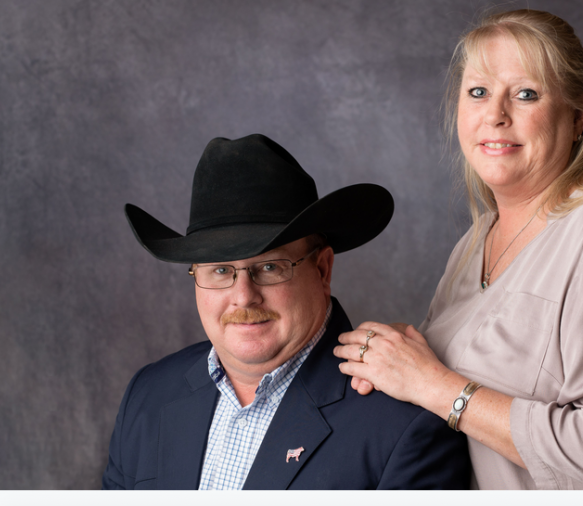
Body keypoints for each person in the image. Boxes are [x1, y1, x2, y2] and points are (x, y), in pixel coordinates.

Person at [335, 9, 583, 489]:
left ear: (578, 119)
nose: (496, 114)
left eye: (526, 94)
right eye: (478, 92)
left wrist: (432, 385)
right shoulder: (478, 239)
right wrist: (406, 358)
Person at [102, 133, 470, 490]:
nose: (244, 297)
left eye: (271, 267)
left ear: (322, 269)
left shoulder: (404, 426)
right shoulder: (148, 396)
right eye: (219, 270)